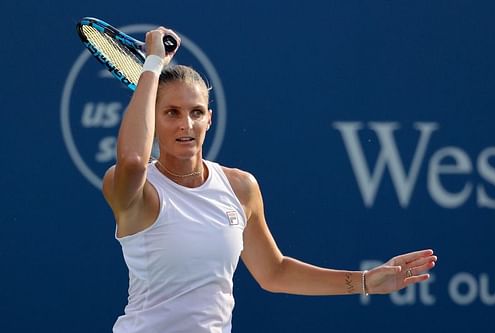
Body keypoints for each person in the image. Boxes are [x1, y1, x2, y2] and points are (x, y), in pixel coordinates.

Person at [102, 27, 437, 333]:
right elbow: (133, 158)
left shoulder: (239, 187)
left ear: (209, 120)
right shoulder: (135, 189)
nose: (186, 124)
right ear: (153, 118)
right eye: (171, 112)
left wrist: (365, 282)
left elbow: (274, 272)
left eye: (196, 112)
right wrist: (153, 64)